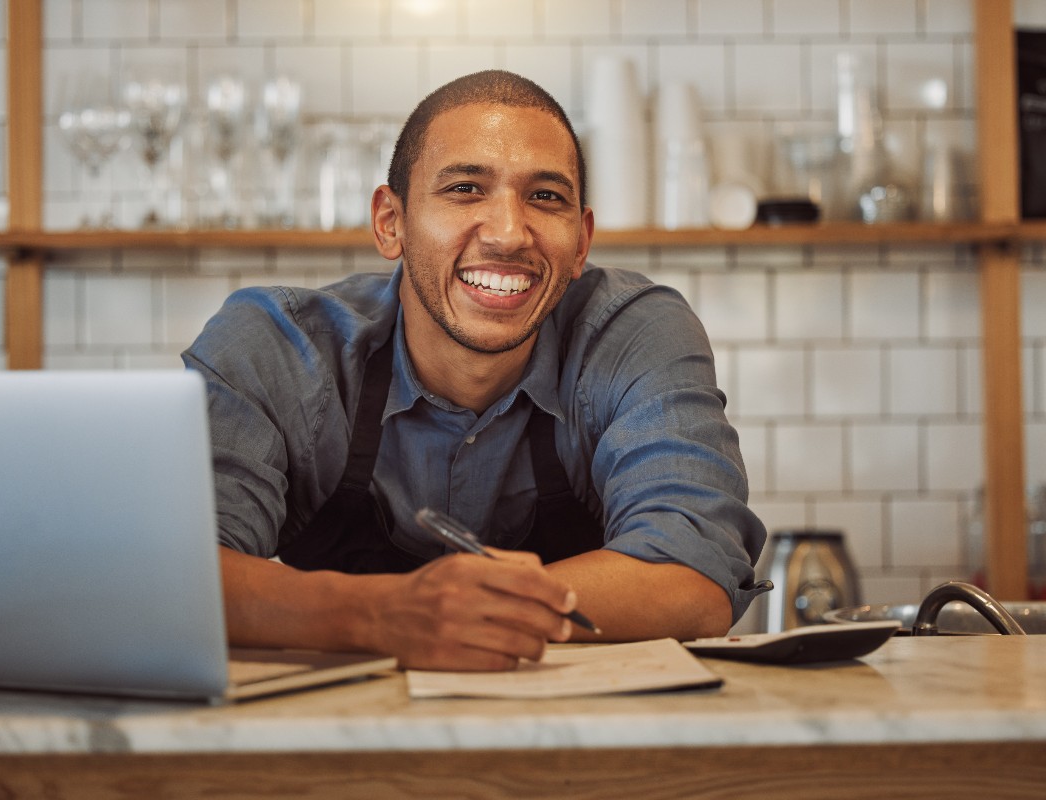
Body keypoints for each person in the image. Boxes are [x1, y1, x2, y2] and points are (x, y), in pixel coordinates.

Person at [182, 70, 767, 672]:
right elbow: (172, 572)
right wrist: (380, 613)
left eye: (545, 197)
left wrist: (465, 612)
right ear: (392, 222)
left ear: (581, 242)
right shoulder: (276, 347)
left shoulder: (632, 332)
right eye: (465, 188)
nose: (509, 233)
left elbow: (691, 576)